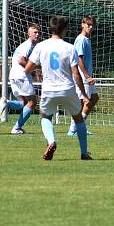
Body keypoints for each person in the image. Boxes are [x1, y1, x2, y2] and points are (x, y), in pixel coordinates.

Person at [24, 16, 91, 160]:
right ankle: (84, 153)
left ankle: (51, 141)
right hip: (67, 89)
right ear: (64, 30)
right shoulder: (69, 47)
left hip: (49, 89)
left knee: (45, 116)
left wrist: (41, 68)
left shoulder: (41, 46)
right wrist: (84, 94)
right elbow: (76, 74)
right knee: (78, 118)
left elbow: (28, 69)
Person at [1, 23, 41, 135]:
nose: (37, 34)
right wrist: (33, 69)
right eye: (35, 32)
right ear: (29, 34)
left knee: (24, 103)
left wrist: (32, 71)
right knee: (33, 102)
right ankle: (17, 127)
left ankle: (7, 103)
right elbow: (21, 60)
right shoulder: (28, 45)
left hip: (14, 75)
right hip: (21, 76)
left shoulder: (28, 45)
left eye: (38, 32)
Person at [68, 16, 99, 136]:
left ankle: (78, 127)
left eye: (92, 25)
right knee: (85, 102)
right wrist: (87, 76)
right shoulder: (81, 40)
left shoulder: (86, 39)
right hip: (83, 77)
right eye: (88, 24)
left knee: (94, 98)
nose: (90, 27)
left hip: (86, 76)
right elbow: (79, 59)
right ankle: (74, 129)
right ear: (82, 24)